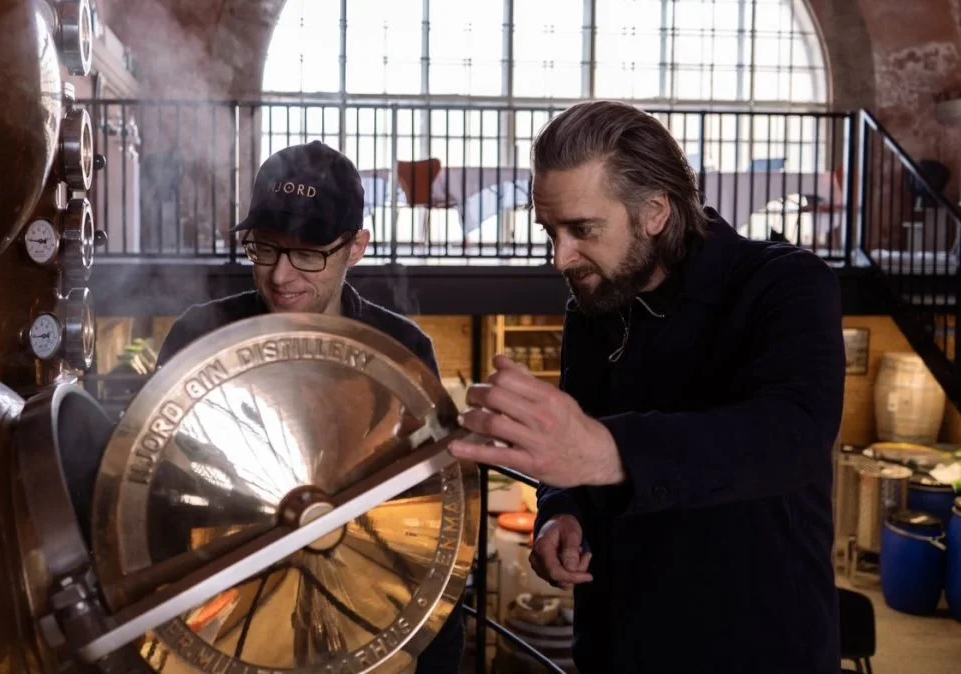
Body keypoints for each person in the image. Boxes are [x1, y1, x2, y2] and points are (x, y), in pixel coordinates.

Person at [448, 101, 846, 673]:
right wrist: (561, 514)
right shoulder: (593, 307)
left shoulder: (784, 285)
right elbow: (576, 461)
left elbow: (792, 436)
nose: (560, 257)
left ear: (656, 210)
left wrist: (605, 451)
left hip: (752, 647)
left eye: (582, 230)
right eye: (550, 231)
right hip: (616, 645)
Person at [156, 140, 465, 673]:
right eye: (266, 247)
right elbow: (155, 492)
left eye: (308, 254)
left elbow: (434, 523)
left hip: (357, 612)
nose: (281, 275)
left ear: (358, 247)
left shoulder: (401, 352)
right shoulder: (199, 337)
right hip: (225, 614)